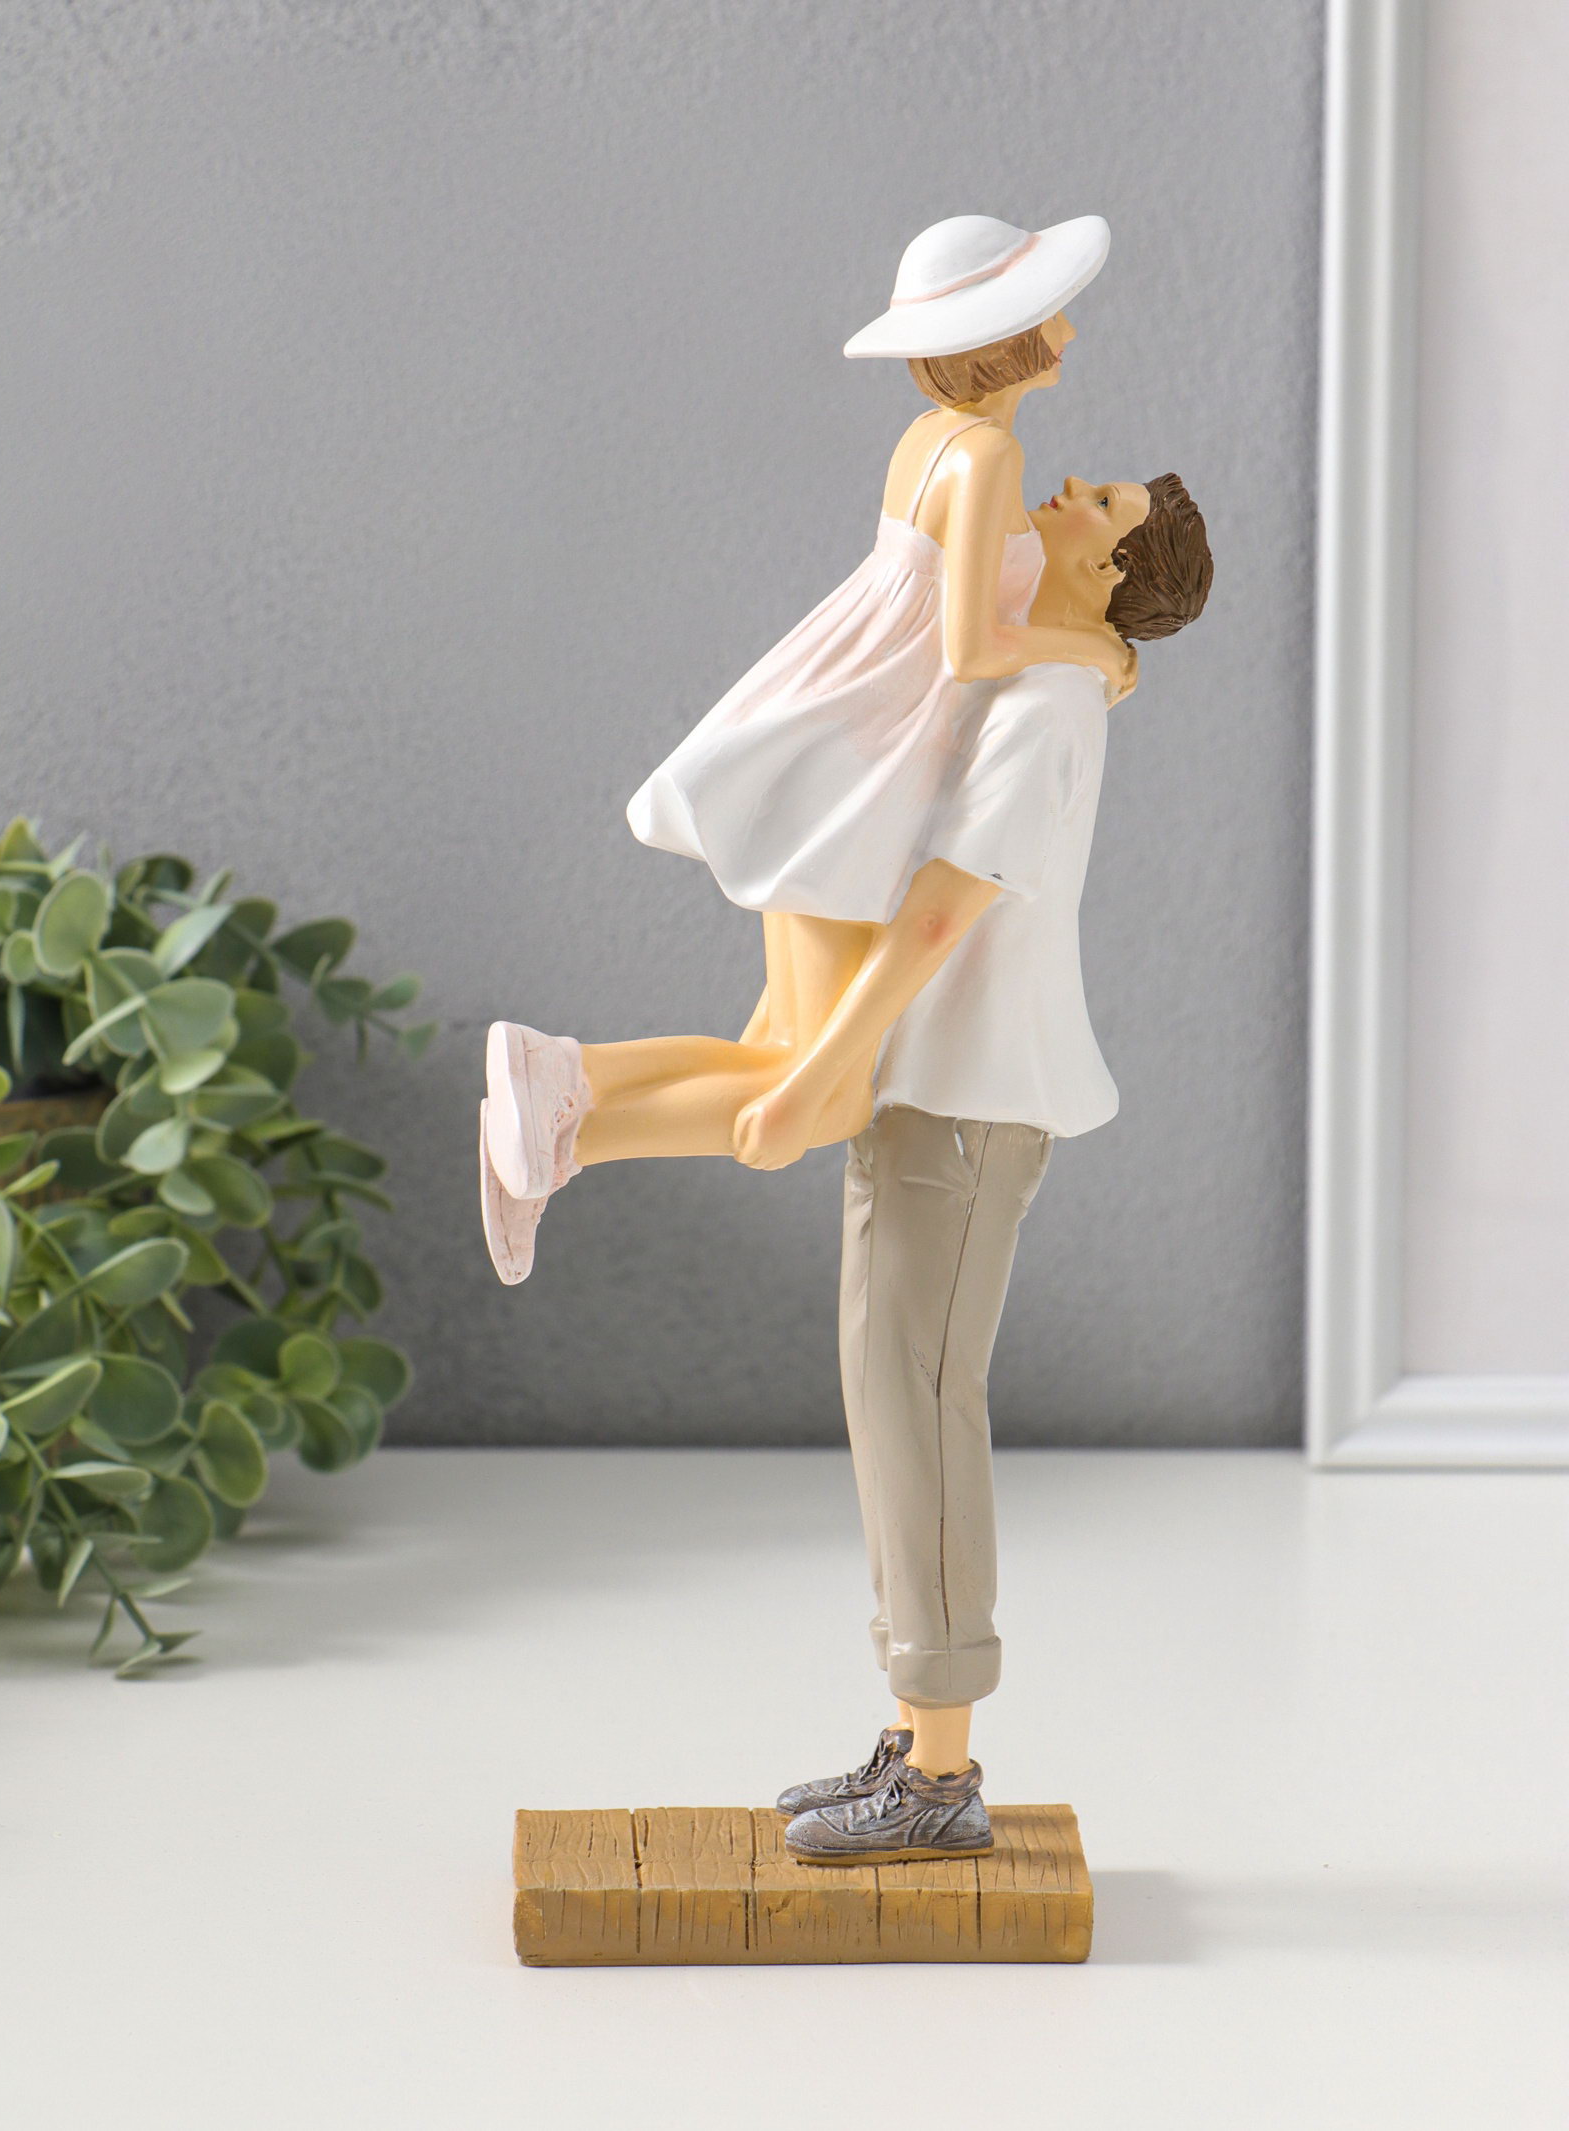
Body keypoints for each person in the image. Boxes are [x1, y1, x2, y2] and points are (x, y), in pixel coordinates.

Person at [478, 215, 1213, 1863]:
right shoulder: (1036, 647)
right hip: (930, 1090)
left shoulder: (1047, 696)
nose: (1068, 487)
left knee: (920, 1404)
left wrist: (832, 1064)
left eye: (1097, 507)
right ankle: (915, 1738)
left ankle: (940, 1773)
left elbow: (948, 904)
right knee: (895, 1400)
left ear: (1109, 578)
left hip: (964, 1099)